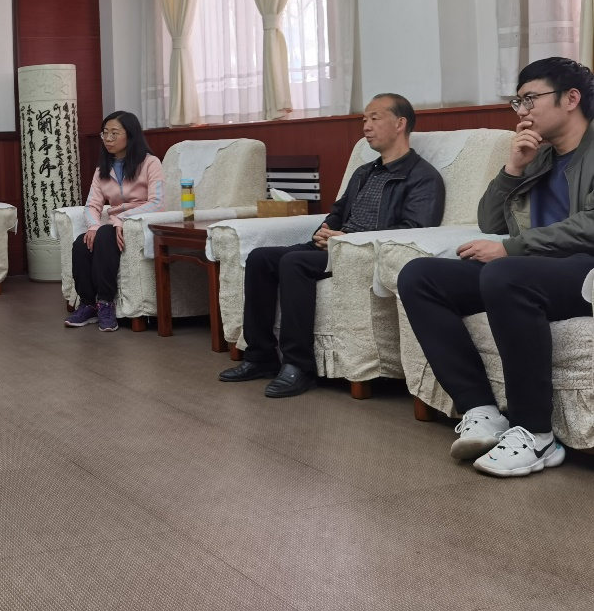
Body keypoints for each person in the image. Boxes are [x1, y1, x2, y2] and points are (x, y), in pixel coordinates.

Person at [397, 57, 594, 477]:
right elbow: (490, 221)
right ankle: (482, 411)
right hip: (530, 269)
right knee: (420, 276)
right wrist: (514, 168)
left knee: (505, 273)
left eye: (531, 98)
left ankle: (536, 433)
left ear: (571, 98)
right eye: (517, 101)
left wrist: (513, 249)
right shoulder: (539, 156)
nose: (522, 111)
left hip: (584, 269)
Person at [219, 93, 444, 398]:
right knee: (261, 258)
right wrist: (324, 232)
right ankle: (260, 357)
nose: (366, 126)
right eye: (364, 119)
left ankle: (299, 367)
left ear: (400, 123)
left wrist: (348, 240)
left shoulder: (423, 177)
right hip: (336, 247)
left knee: (293, 262)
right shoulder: (364, 172)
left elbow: (414, 232)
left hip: (364, 255)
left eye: (374, 118)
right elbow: (338, 211)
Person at [64, 111, 164, 333]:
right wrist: (93, 226)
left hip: (140, 223)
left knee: (105, 235)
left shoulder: (150, 163)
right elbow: (92, 205)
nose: (108, 139)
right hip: (113, 227)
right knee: (81, 243)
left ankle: (106, 303)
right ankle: (88, 304)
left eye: (114, 133)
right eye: (105, 133)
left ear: (130, 135)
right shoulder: (103, 169)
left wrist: (122, 219)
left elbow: (157, 203)